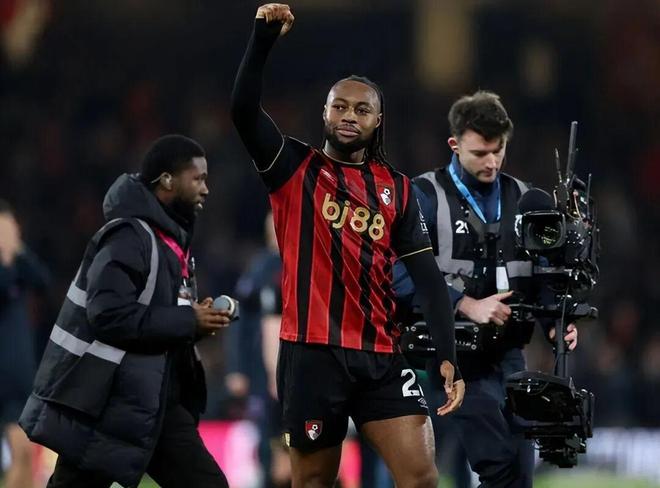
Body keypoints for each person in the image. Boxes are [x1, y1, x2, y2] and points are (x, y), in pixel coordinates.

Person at [230, 4, 464, 487]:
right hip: (312, 355)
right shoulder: (292, 167)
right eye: (339, 106)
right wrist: (262, 41)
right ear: (325, 113)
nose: (349, 115)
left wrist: (448, 354)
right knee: (313, 482)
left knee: (422, 477)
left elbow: (427, 279)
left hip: (381, 354)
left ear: (378, 120)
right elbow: (243, 111)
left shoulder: (397, 190)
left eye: (361, 109)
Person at [18, 135, 232, 488]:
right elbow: (109, 316)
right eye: (198, 178)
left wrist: (194, 322)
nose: (206, 189)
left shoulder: (168, 241)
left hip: (156, 402)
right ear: (167, 180)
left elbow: (152, 319)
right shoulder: (128, 237)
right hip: (111, 403)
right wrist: (186, 319)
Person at [395, 91, 578, 488]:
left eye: (499, 151)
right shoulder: (423, 196)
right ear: (454, 144)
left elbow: (545, 273)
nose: (492, 162)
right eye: (480, 153)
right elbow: (396, 273)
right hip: (453, 358)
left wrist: (554, 322)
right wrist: (464, 303)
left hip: (510, 354)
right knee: (496, 465)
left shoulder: (526, 198)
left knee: (519, 473)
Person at [0, 200, 51, 488]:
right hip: (4, 378)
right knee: (20, 453)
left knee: (26, 457)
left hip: (22, 372)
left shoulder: (19, 264)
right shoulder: (7, 268)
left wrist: (18, 250)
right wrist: (6, 257)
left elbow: (42, 280)